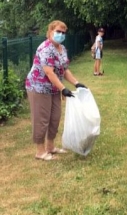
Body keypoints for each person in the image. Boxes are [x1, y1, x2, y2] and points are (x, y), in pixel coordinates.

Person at [25, 20, 87, 161]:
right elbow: (49, 72)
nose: (60, 34)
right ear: (50, 31)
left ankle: (50, 147)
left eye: (63, 32)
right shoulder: (45, 48)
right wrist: (64, 88)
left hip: (54, 88)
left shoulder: (62, 48)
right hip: (38, 88)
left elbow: (64, 70)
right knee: (42, 119)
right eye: (58, 31)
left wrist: (77, 83)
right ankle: (40, 152)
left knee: (55, 117)